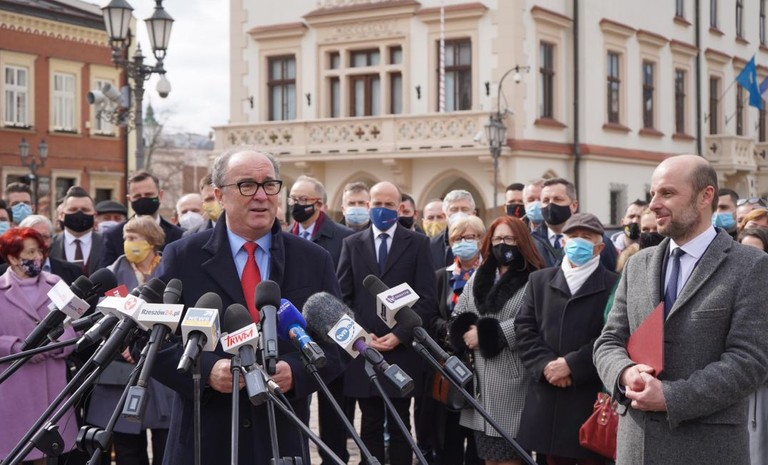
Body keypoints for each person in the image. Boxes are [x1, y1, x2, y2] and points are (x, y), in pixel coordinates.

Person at [152, 147, 345, 465]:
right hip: (205, 441)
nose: (261, 195)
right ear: (219, 195)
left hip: (281, 438)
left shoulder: (314, 260)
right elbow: (153, 342)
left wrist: (297, 372)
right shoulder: (182, 257)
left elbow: (338, 346)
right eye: (247, 185)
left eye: (269, 184)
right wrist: (206, 371)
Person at [593, 154, 768, 464]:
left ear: (705, 196)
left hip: (707, 450)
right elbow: (608, 341)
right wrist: (624, 372)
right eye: (652, 194)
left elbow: (749, 360)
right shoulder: (638, 264)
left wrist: (672, 397)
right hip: (637, 448)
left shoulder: (750, 266)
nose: (653, 205)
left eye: (667, 193)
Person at [337, 180, 437, 465]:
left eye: (389, 204)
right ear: (369, 206)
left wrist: (400, 335)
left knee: (399, 423)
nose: (382, 209)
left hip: (402, 352)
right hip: (364, 350)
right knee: (369, 422)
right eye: (377, 204)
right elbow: (343, 297)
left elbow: (427, 298)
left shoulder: (418, 244)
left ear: (399, 207)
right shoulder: (352, 244)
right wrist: (362, 336)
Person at [516, 213, 619, 465]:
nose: (578, 242)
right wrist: (546, 365)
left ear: (599, 247)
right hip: (547, 397)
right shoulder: (539, 280)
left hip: (588, 398)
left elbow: (613, 335)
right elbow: (525, 329)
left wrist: (572, 365)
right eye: (573, 236)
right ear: (563, 242)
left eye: (586, 237)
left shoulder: (614, 284)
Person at [449, 216, 544, 465]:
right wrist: (466, 330)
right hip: (480, 380)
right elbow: (460, 311)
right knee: (489, 458)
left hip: (513, 377)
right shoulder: (481, 275)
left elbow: (532, 319)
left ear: (521, 241)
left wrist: (488, 334)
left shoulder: (534, 277)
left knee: (511, 456)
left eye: (510, 239)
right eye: (498, 238)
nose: (503, 244)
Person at [87, 215, 172, 465]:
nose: (128, 243)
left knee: (166, 446)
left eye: (134, 237)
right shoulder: (114, 272)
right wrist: (124, 345)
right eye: (126, 238)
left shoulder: (170, 267)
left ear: (151, 240)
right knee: (127, 450)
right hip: (123, 370)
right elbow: (103, 315)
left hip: (163, 366)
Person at [287, 174, 353, 464]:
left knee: (333, 413)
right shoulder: (283, 236)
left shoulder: (343, 238)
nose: (297, 205)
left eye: (304, 200)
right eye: (294, 199)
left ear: (320, 204)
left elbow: (347, 289)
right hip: (292, 334)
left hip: (328, 335)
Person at [0, 227, 79, 464]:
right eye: (30, 252)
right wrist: (16, 347)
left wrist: (57, 344)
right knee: (16, 452)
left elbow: (75, 325)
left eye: (40, 251)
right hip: (14, 384)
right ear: (13, 257)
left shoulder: (57, 284)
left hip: (52, 384)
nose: (37, 257)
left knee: (47, 453)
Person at [428, 215, 487, 465]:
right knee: (449, 435)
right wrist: (454, 331)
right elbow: (430, 317)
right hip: (449, 364)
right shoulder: (441, 277)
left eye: (470, 237)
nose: (463, 242)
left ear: (481, 240)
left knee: (478, 437)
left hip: (483, 363)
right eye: (457, 238)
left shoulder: (491, 276)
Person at [99, 171, 184, 268]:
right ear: (129, 199)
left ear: (160, 195)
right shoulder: (113, 236)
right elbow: (106, 273)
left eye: (148, 195)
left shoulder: (179, 235)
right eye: (137, 196)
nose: (143, 199)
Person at [531, 178, 617, 271]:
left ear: (574, 205)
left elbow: (611, 276)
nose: (551, 204)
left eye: (558, 199)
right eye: (546, 200)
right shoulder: (531, 241)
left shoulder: (598, 241)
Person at [49, 186, 104, 276]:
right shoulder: (50, 244)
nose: (79, 213)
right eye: (73, 209)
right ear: (61, 215)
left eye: (85, 210)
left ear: (94, 215)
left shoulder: (107, 243)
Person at [430, 189, 476, 270]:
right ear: (444, 215)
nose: (459, 213)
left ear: (473, 214)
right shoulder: (432, 246)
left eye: (464, 209)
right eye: (454, 210)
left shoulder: (484, 242)